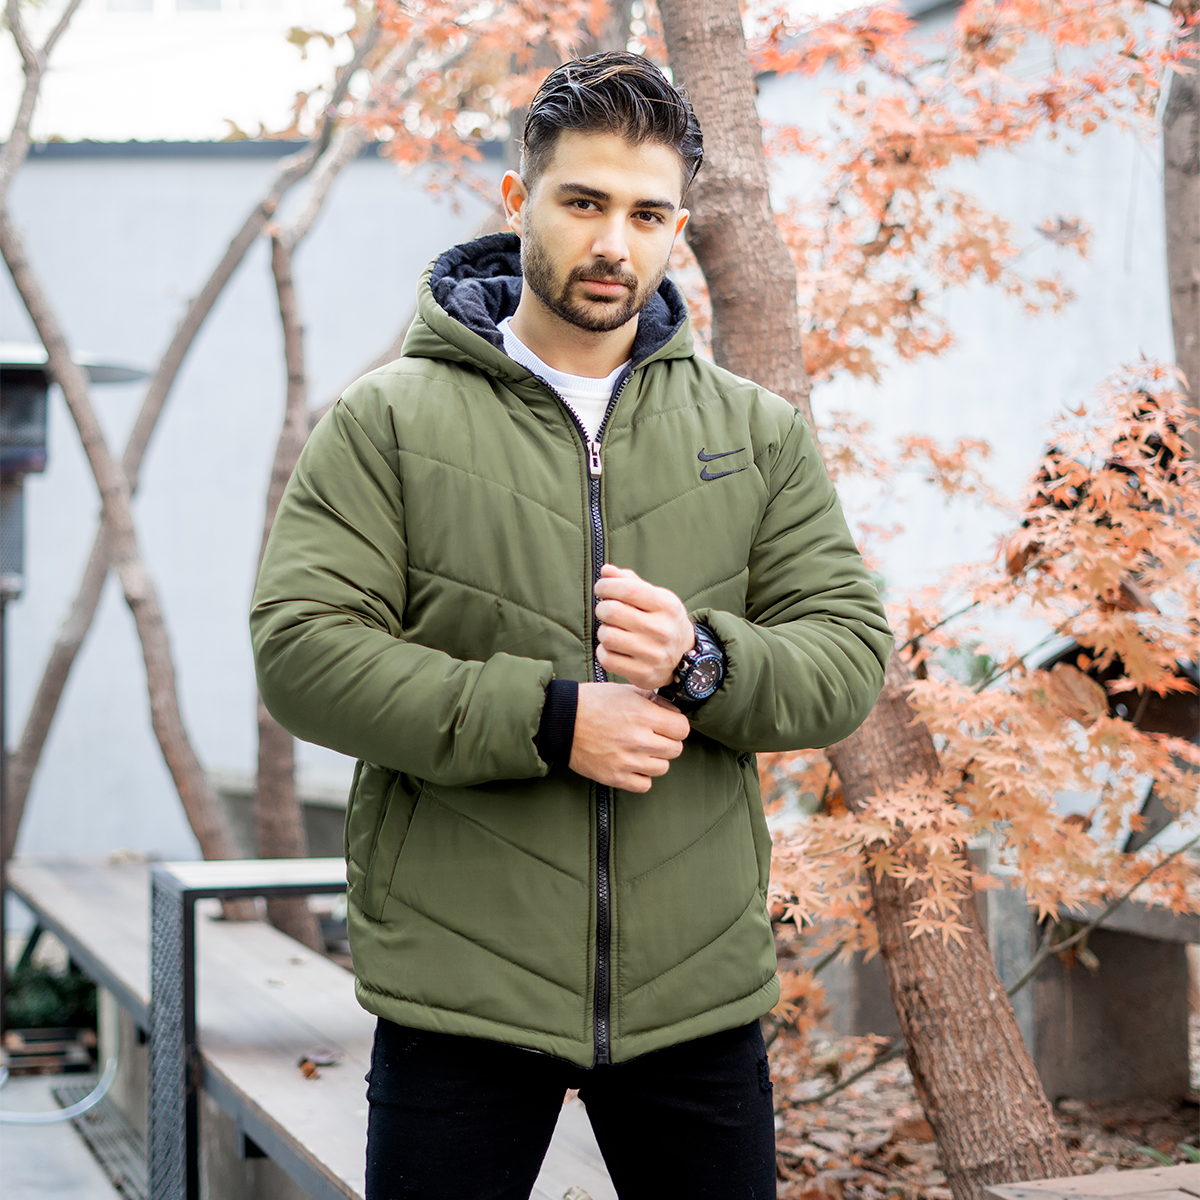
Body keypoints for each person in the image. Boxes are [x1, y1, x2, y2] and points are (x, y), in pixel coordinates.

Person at [250, 51, 892, 1200]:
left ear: (678, 226)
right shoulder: (387, 420)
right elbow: (302, 652)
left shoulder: (755, 432)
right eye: (584, 202)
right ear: (519, 199)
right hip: (460, 984)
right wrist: (549, 721)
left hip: (694, 991)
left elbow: (846, 656)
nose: (614, 244)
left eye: (647, 215)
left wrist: (702, 660)